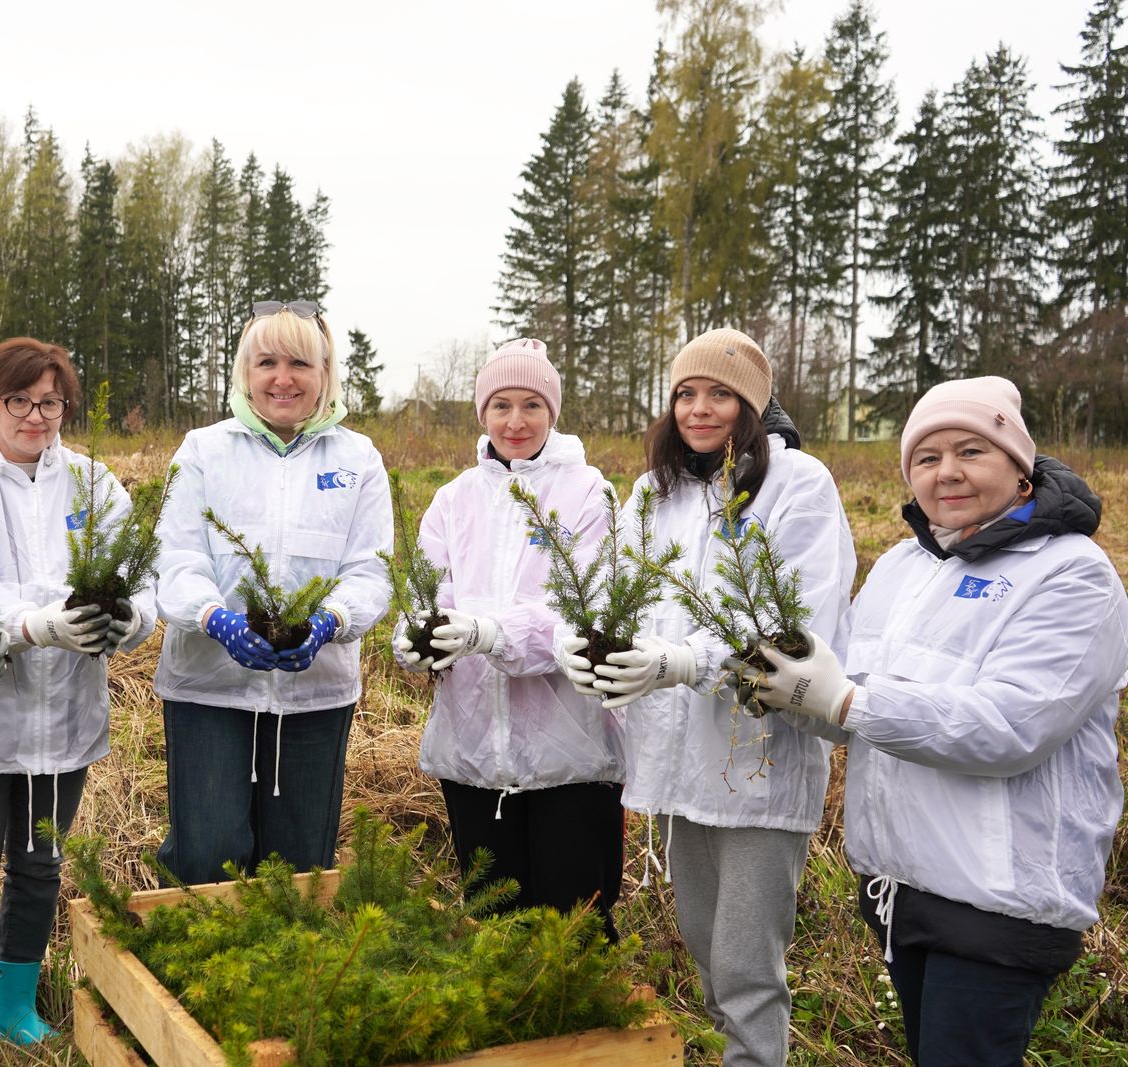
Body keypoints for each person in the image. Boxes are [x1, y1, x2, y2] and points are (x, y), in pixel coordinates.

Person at [740, 377, 1128, 1067]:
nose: (946, 471)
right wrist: (791, 690)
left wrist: (845, 702)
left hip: (998, 898)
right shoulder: (904, 564)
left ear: (1019, 466)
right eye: (926, 456)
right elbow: (850, 701)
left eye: (971, 450)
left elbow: (1012, 725)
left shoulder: (1073, 576)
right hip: (901, 884)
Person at [559, 328, 855, 1067]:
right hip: (678, 759)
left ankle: (755, 1056)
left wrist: (689, 659)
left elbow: (801, 631)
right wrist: (583, 635)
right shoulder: (655, 491)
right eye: (686, 393)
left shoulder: (799, 486)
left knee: (747, 965)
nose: (699, 408)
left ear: (753, 405)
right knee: (704, 946)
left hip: (758, 758)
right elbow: (614, 587)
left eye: (720, 393)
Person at [0, 338, 159, 1066]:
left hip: (64, 716)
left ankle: (16, 1003)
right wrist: (35, 623)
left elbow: (140, 579)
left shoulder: (91, 483)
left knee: (39, 863)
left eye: (50, 401)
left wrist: (126, 620)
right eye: (19, 399)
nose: (35, 415)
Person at [392, 339, 626, 941]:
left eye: (530, 405)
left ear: (553, 411)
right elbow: (431, 592)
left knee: (572, 930)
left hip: (568, 756)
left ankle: (589, 1035)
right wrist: (417, 637)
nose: (515, 422)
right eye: (500, 405)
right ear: (482, 413)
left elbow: (587, 612)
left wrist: (491, 633)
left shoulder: (586, 493)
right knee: (493, 932)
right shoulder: (453, 500)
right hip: (472, 753)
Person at [152, 300, 392, 886]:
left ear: (324, 374)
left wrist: (331, 621)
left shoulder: (357, 459)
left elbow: (371, 570)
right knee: (208, 858)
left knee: (300, 867)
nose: (282, 379)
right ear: (245, 373)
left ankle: (290, 976)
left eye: (299, 364)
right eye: (266, 363)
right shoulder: (204, 451)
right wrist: (215, 619)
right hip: (210, 691)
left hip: (314, 694)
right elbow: (177, 557)